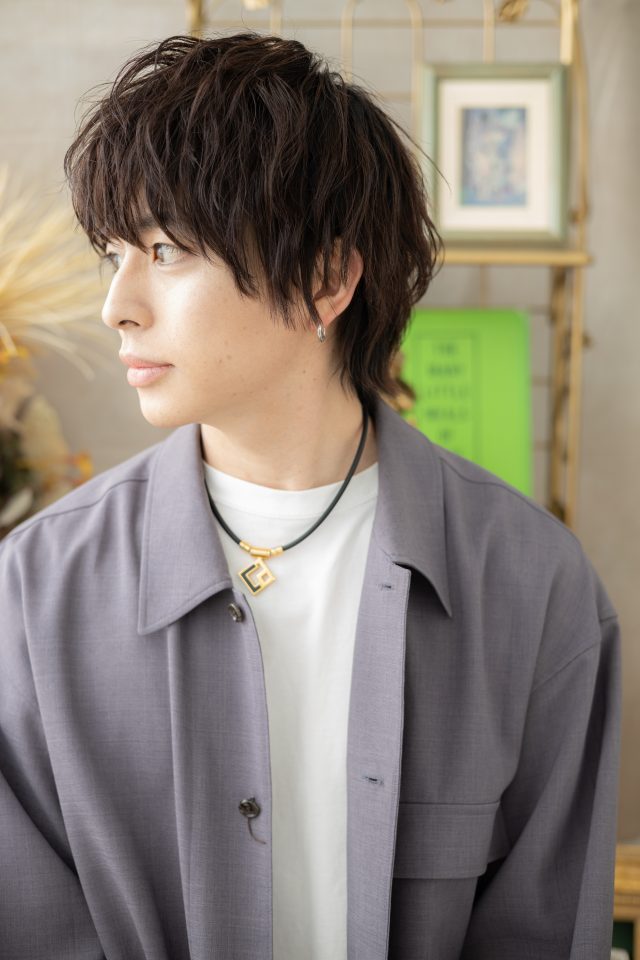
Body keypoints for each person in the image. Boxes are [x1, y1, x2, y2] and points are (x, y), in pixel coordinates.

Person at [0, 31, 621, 960]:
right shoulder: (33, 595)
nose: (117, 305)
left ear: (326, 280)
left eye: (165, 250)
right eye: (115, 252)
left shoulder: (533, 588)